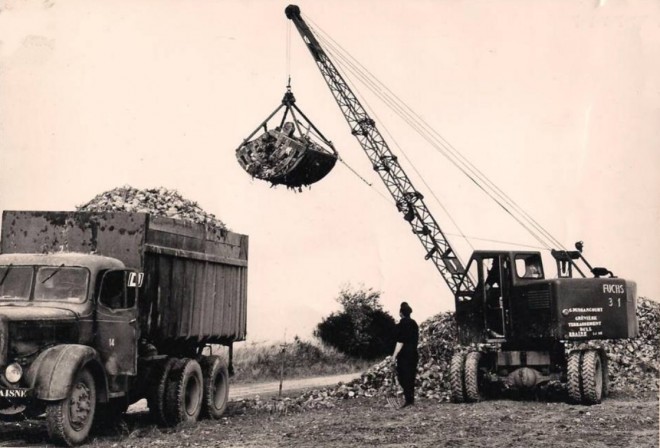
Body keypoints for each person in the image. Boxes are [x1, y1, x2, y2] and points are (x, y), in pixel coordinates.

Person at [391, 301, 419, 408]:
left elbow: (400, 342)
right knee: (411, 376)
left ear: (401, 313)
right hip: (414, 354)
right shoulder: (414, 323)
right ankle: (411, 400)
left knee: (403, 377)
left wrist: (394, 356)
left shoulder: (401, 324)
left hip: (404, 355)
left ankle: (408, 400)